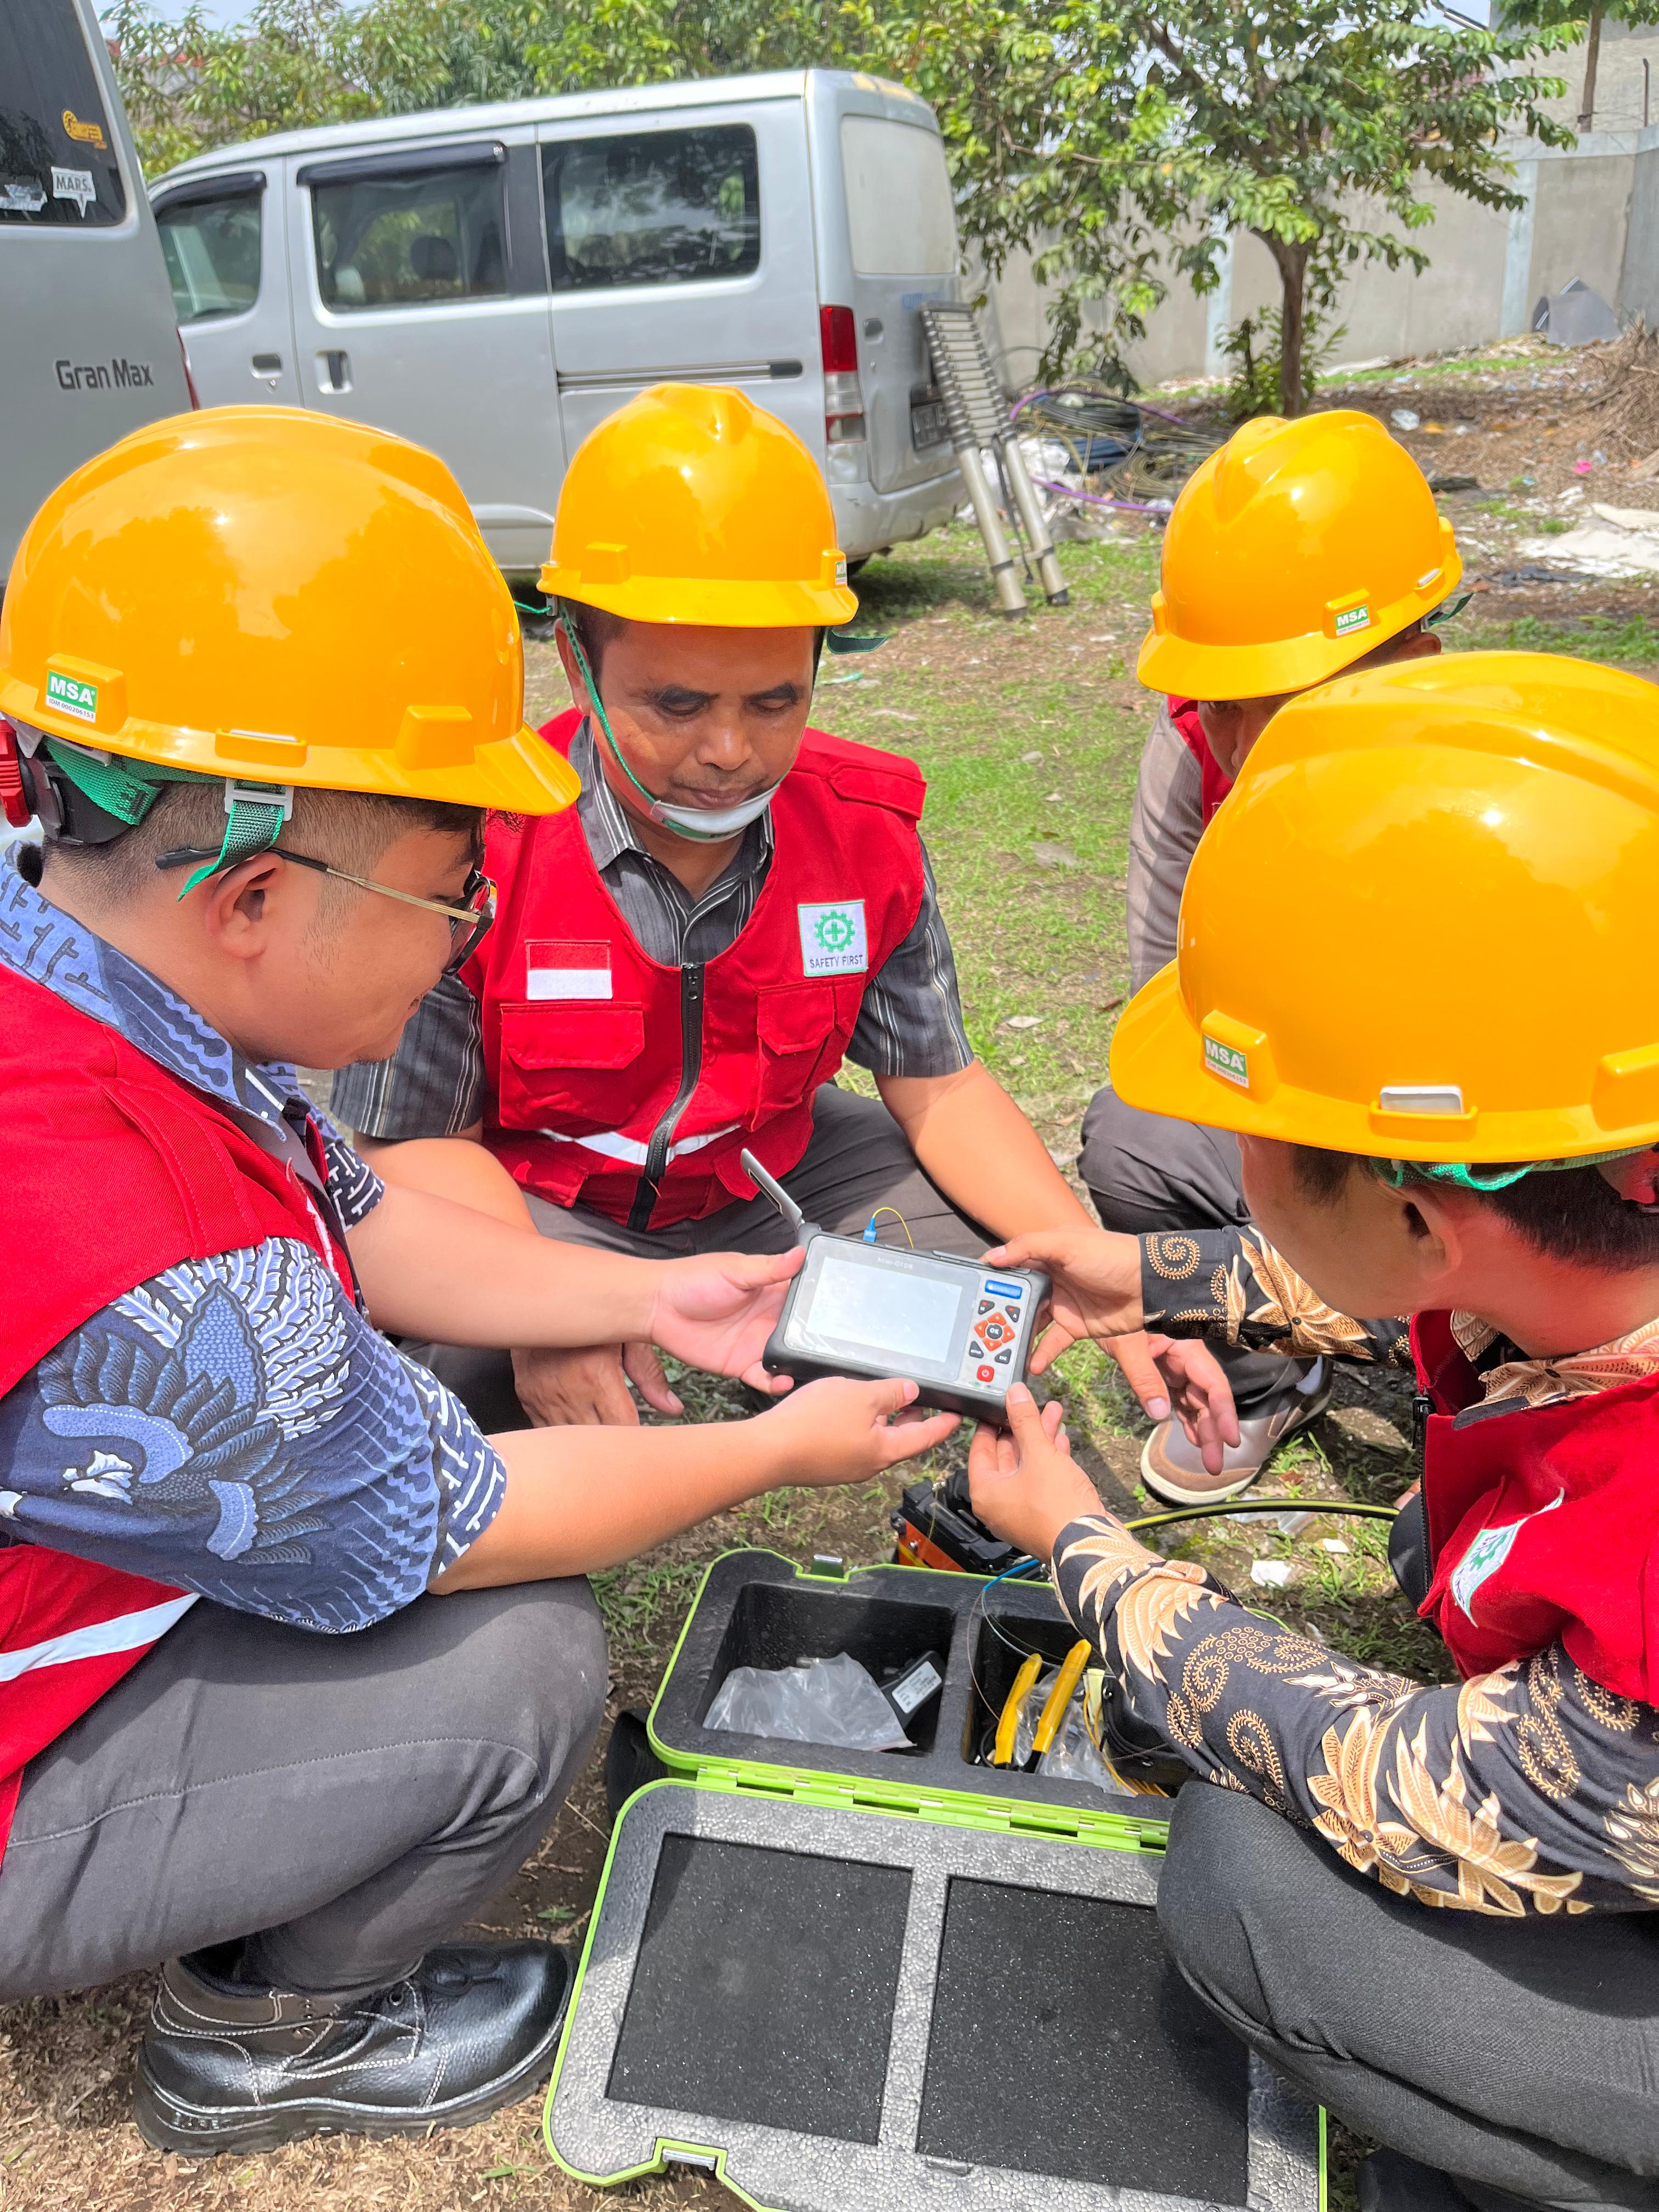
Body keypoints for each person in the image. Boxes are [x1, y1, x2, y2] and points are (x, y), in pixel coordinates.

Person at [0, 407, 961, 2157]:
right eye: (452, 900)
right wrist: (781, 1449)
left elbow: (359, 1207)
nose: (465, 941)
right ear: (261, 893)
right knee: (508, 1670)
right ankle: (261, 2036)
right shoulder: (138, 1257)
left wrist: (645, 1302)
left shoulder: (88, 977)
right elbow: (459, 1516)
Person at [971, 651, 1659, 2211]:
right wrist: (1140, 1270)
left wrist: (1084, 1553)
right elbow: (1447, 1295)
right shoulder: (1604, 1186)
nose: (1230, 1164)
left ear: (1420, 1210)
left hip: (1595, 1788)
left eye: (1256, 1146)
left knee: (1249, 1887)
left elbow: (1394, 1778)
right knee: (1439, 1528)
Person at [331, 382, 1111, 1434]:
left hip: (773, 1183)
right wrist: (552, 1311)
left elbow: (941, 1084)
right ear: (577, 658)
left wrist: (1093, 1263)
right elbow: (413, 1149)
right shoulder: (475, 850)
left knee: (986, 1318)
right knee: (439, 1383)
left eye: (775, 702)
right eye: (678, 704)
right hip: (540, 1206)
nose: (730, 753)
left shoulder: (867, 833)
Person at [1081, 410, 1464, 1503]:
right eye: (1222, 703)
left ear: (1413, 666)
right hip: (1307, 1120)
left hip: (1478, 1173)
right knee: (1136, 1134)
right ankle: (1273, 1373)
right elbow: (1177, 1004)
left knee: (1446, 1556)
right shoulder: (1195, 763)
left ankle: (1483, 1366)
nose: (1245, 745)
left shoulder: (1499, 812)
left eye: (1282, 701)